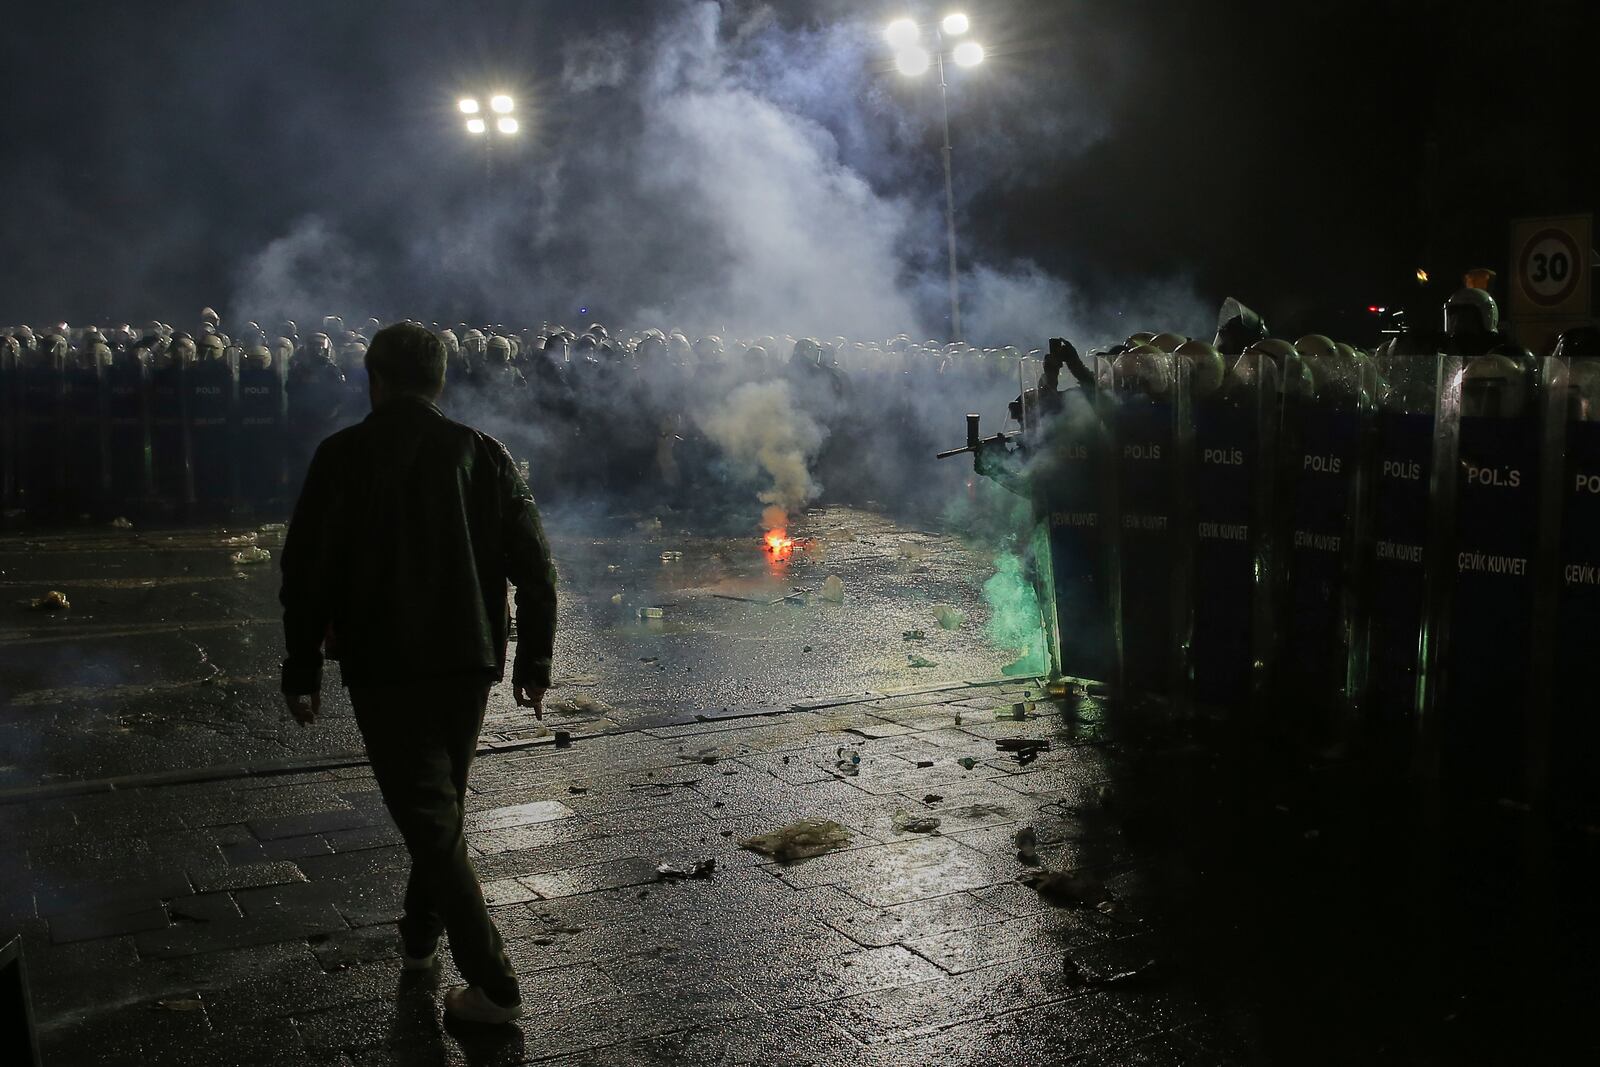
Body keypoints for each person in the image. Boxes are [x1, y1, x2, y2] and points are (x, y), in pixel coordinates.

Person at [278, 322, 557, 1026]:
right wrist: (533, 659)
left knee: (431, 818)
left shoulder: (342, 456)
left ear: (374, 379)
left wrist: (303, 663)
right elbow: (536, 566)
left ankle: (495, 985)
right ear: (439, 382)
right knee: (438, 807)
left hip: (385, 663)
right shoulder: (482, 452)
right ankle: (419, 933)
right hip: (466, 661)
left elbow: (305, 571)